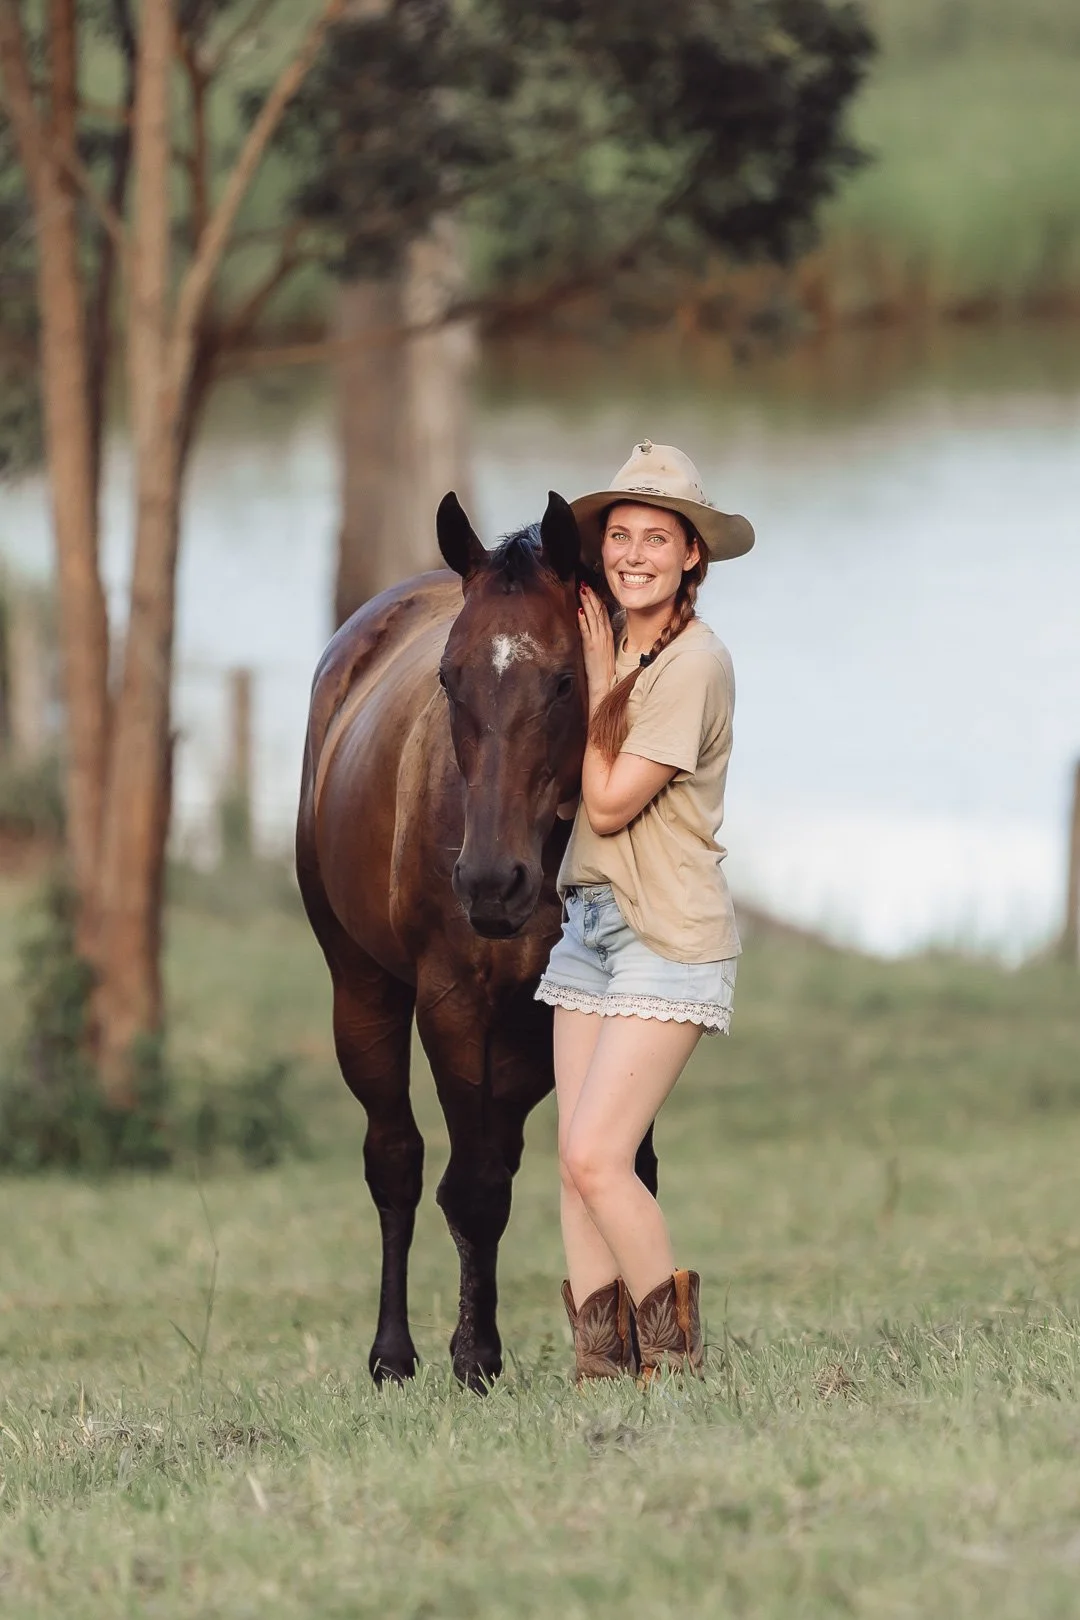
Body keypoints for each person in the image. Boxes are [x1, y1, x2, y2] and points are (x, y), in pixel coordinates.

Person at [535, 440, 754, 1382]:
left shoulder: (694, 662)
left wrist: (589, 679)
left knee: (597, 1153)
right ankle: (603, 1373)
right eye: (619, 536)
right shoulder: (616, 642)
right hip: (589, 923)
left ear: (691, 554)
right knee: (570, 1167)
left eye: (655, 539)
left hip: (666, 932)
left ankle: (675, 1363)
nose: (632, 554)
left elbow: (615, 800)